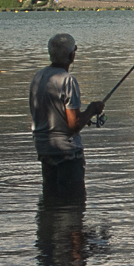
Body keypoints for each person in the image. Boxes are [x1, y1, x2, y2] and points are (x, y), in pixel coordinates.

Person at [29, 33, 104, 204]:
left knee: (51, 202)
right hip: (67, 153)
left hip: (44, 149)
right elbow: (74, 125)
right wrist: (92, 109)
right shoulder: (67, 81)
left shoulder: (38, 77)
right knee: (73, 205)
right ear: (71, 56)